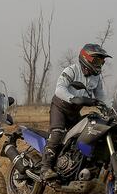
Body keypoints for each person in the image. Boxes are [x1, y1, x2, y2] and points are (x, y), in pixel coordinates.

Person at [40, 43, 112, 180]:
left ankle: (74, 167)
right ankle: (45, 168)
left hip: (74, 111)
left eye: (101, 62)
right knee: (57, 134)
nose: (100, 65)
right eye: (97, 61)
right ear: (86, 59)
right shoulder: (71, 70)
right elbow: (59, 89)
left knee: (84, 136)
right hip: (60, 107)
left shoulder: (96, 78)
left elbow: (101, 96)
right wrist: (73, 98)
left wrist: (114, 109)